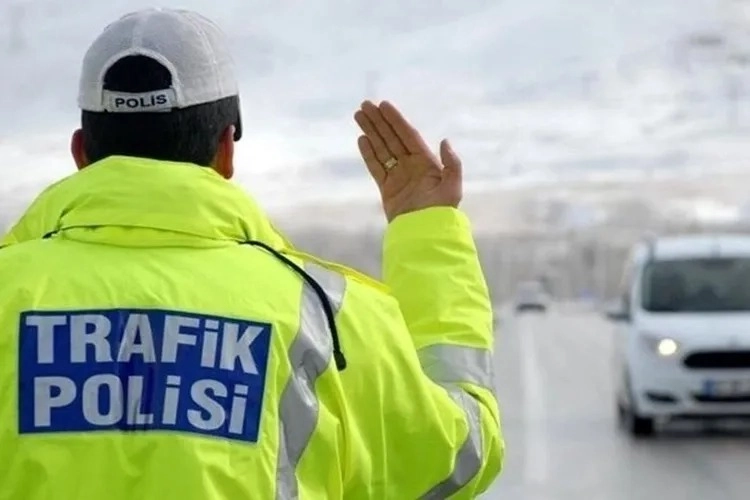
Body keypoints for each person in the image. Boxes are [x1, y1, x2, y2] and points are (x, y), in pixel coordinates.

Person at [0, 8, 503, 500]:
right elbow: (461, 453)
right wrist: (426, 228)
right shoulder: (324, 318)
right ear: (226, 150)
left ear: (80, 152)